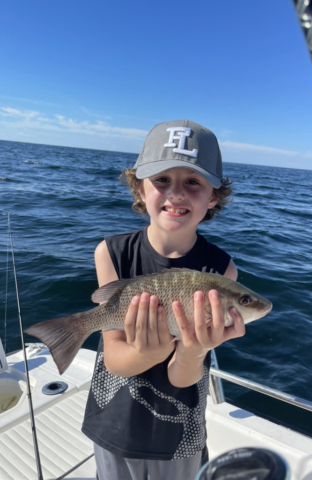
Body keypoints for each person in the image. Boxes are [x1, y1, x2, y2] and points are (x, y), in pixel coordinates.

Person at [82, 119, 246, 480]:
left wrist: (192, 349)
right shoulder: (111, 252)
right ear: (139, 188)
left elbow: (184, 377)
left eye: (193, 182)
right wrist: (148, 352)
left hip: (179, 433)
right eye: (162, 180)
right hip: (113, 423)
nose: (176, 193)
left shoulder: (222, 271)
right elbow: (115, 358)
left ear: (214, 196)